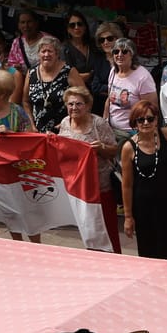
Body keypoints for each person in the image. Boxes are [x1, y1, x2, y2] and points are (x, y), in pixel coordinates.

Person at [120, 101, 167, 264]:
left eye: (150, 119)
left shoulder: (166, 134)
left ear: (156, 119)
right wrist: (128, 217)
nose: (146, 123)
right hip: (145, 210)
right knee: (151, 252)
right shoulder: (128, 147)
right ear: (134, 122)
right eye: (141, 120)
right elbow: (127, 185)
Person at [58, 85, 121, 254]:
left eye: (79, 104)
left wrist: (101, 148)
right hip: (79, 190)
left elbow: (114, 150)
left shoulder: (98, 123)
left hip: (101, 188)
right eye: (70, 104)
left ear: (87, 105)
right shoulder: (65, 123)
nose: (74, 108)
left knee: (108, 232)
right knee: (88, 231)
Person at [23, 35, 82, 134]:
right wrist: (31, 125)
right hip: (37, 131)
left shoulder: (68, 71)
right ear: (38, 54)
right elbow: (25, 101)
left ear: (57, 54)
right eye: (43, 51)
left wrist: (69, 122)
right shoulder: (31, 73)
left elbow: (84, 98)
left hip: (64, 130)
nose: (46, 54)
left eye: (50, 51)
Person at [104, 38, 156, 139]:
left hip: (133, 133)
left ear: (132, 54)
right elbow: (109, 99)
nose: (119, 55)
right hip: (112, 130)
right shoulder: (113, 71)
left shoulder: (143, 77)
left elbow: (151, 108)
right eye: (116, 51)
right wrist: (105, 121)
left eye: (124, 51)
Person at [90, 21, 124, 114]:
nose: (105, 42)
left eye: (109, 38)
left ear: (118, 39)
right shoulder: (98, 61)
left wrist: (106, 89)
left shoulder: (126, 59)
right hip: (101, 108)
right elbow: (95, 87)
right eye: (102, 40)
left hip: (123, 108)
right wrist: (117, 90)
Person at [61, 10, 94, 87]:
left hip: (97, 89)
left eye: (80, 24)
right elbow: (66, 75)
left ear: (85, 27)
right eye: (72, 25)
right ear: (68, 29)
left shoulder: (93, 44)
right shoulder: (64, 49)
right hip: (76, 91)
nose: (77, 27)